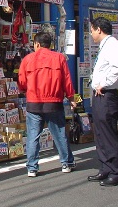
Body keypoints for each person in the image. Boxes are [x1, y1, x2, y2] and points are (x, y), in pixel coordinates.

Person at [18, 32, 77, 177]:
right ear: (50, 44)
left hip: (34, 103)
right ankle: (66, 163)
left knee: (33, 136)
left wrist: (27, 91)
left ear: (37, 44)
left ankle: (32, 167)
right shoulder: (59, 58)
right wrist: (73, 98)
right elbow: (67, 81)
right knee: (60, 133)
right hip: (54, 102)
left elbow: (22, 83)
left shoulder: (27, 59)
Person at [88, 17, 118, 186]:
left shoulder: (111, 45)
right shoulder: (104, 46)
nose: (91, 33)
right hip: (99, 94)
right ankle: (106, 167)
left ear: (99, 30)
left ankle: (117, 171)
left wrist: (104, 83)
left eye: (92, 30)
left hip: (106, 94)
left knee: (108, 133)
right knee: (101, 133)